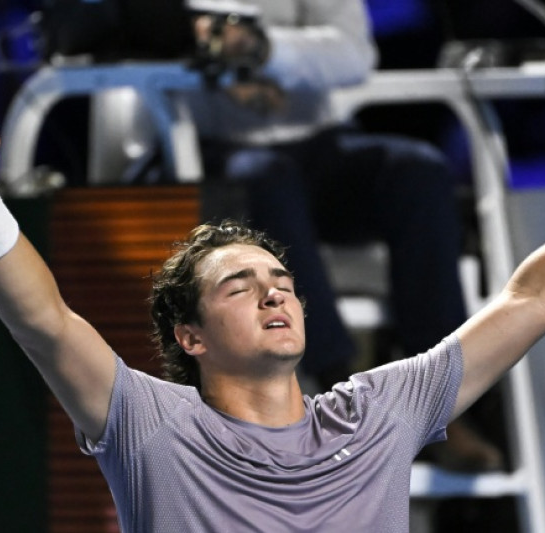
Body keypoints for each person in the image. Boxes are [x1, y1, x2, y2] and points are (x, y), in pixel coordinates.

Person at [0, 87, 545, 531]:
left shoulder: (377, 412)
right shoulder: (152, 426)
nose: (275, 288)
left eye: (280, 276)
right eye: (239, 284)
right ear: (189, 337)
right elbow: (45, 321)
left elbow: (540, 295)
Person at [183, 0, 468, 389]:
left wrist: (262, 50)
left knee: (420, 172)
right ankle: (340, 386)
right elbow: (144, 41)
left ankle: (441, 393)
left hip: (318, 146)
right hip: (213, 150)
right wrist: (222, 71)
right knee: (266, 178)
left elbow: (354, 53)